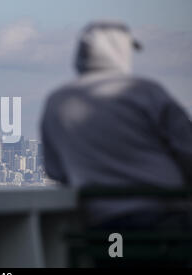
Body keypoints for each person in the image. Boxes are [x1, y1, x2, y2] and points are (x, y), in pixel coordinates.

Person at [40, 20, 192, 229]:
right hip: (167, 219)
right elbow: (187, 149)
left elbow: (55, 170)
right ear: (121, 52)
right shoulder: (146, 92)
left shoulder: (56, 101)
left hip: (102, 225)